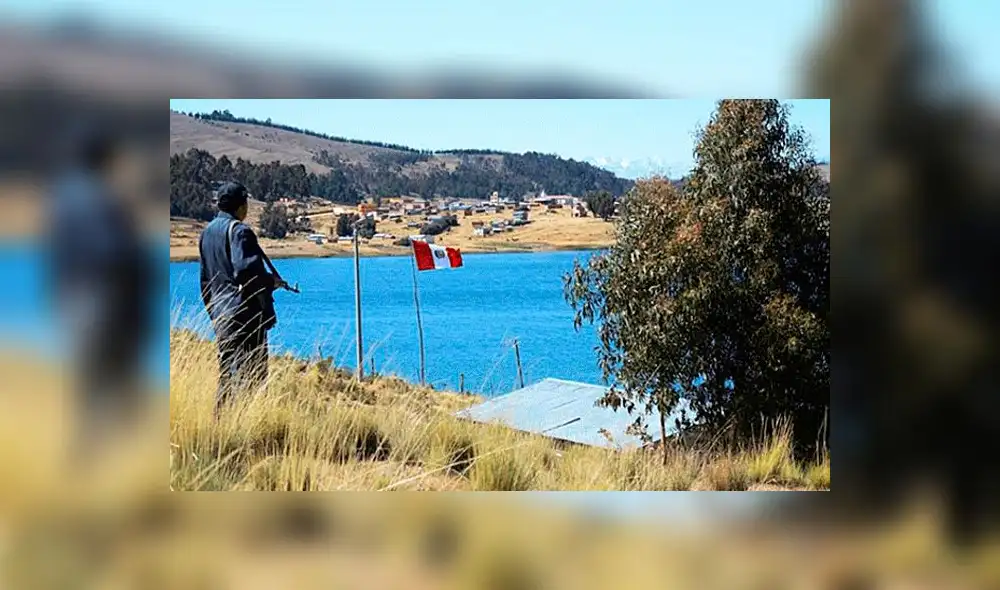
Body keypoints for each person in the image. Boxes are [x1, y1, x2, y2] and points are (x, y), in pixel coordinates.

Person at [47, 121, 153, 455]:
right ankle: (110, 452)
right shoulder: (107, 200)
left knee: (85, 378)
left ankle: (85, 447)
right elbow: (117, 252)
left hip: (72, 298)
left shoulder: (62, 199)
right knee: (117, 378)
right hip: (107, 299)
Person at [199, 182, 282, 416]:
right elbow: (246, 272)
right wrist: (270, 282)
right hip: (246, 315)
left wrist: (214, 313)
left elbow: (205, 281)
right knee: (252, 377)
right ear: (241, 205)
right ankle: (248, 425)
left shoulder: (207, 232)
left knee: (227, 374)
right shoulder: (240, 231)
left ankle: (221, 424)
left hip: (222, 316)